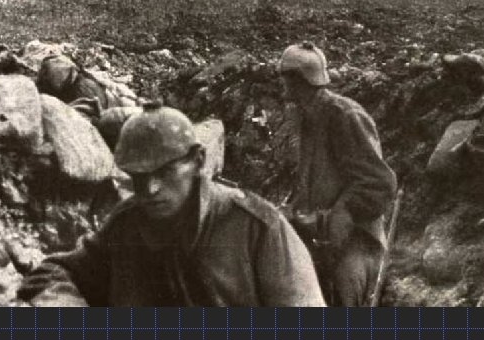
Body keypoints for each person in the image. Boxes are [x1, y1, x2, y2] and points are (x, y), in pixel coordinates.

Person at [18, 102, 325, 307]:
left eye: (164, 172)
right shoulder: (126, 226)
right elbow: (53, 272)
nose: (149, 189)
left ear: (198, 161)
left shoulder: (258, 228)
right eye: (138, 177)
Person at [277, 41, 398, 306]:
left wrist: (340, 213)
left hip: (355, 243)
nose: (282, 85)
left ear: (298, 80)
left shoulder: (344, 115)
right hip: (319, 237)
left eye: (286, 78)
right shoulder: (306, 116)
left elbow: (380, 183)